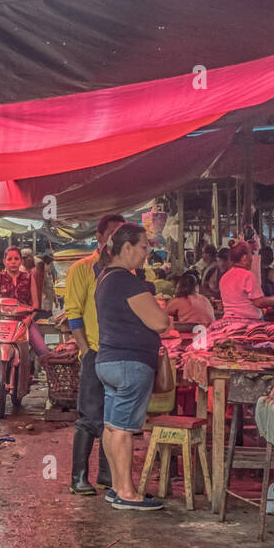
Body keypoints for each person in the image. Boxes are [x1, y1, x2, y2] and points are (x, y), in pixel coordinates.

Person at [95, 224, 170, 510]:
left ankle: (117, 488)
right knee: (124, 429)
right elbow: (160, 322)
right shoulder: (126, 280)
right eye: (143, 248)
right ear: (126, 248)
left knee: (113, 427)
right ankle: (127, 493)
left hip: (109, 362)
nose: (145, 255)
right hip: (129, 363)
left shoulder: (105, 278)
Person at [64, 212, 124, 494]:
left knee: (113, 418)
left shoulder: (127, 270)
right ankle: (78, 477)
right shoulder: (81, 269)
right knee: (89, 416)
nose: (115, 238)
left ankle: (107, 474)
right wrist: (85, 349)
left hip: (119, 352)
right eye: (111, 233)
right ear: (98, 237)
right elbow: (74, 313)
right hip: (94, 351)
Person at [0, 246, 47, 358]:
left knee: (43, 351)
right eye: (10, 259)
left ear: (21, 261)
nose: (13, 262)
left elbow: (35, 304)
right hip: (3, 323)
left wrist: (28, 319)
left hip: (25, 322)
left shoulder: (29, 278)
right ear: (4, 261)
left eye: (16, 259)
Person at [220, 244, 274, 320]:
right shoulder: (247, 275)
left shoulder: (224, 277)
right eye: (251, 255)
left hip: (228, 319)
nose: (252, 259)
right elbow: (259, 302)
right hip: (248, 321)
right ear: (244, 257)